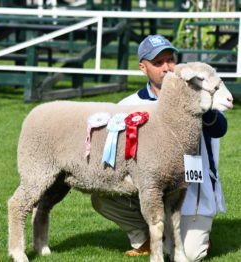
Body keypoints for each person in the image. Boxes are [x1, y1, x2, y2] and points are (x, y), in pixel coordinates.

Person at [91, 35, 227, 262]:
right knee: (102, 195)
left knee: (190, 255)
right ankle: (145, 236)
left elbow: (220, 129)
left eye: (170, 60)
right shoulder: (129, 104)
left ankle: (194, 234)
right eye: (158, 63)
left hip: (193, 192)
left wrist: (203, 105)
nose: (167, 67)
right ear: (143, 68)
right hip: (148, 186)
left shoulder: (198, 95)